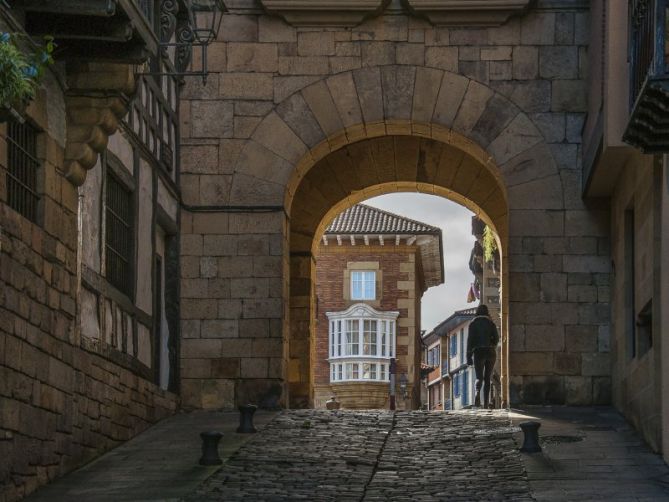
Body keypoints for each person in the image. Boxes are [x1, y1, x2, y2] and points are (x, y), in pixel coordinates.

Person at [466, 304, 499, 409]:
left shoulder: (473, 324)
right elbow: (497, 338)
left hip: (478, 352)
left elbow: (469, 341)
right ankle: (485, 404)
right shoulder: (491, 323)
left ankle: (477, 393)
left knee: (479, 377)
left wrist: (469, 356)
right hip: (490, 351)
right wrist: (492, 344)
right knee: (487, 378)